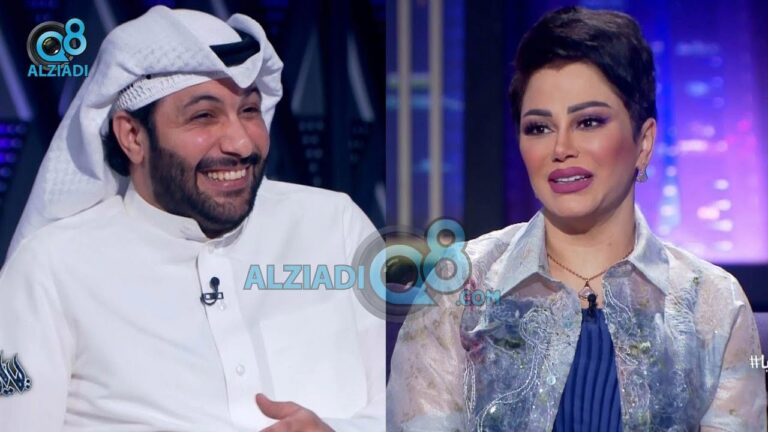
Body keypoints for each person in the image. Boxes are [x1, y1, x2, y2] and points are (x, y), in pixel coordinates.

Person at [0, 6, 384, 431]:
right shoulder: (54, 268)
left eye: (250, 111)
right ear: (132, 136)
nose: (241, 143)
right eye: (204, 116)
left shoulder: (334, 225)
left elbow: (421, 406)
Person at [387, 6, 766, 431]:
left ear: (643, 143)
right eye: (539, 128)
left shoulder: (711, 303)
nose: (561, 148)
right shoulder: (461, 286)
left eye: (588, 122)